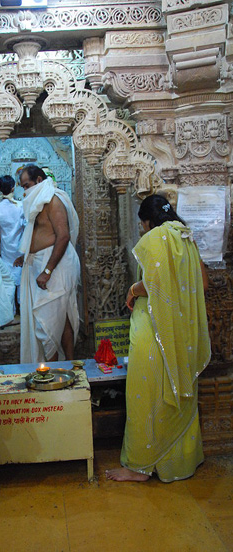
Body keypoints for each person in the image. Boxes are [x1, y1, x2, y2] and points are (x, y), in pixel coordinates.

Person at [106, 194, 210, 483]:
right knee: (177, 392)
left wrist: (134, 289)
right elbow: (202, 282)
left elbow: (153, 281)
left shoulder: (157, 238)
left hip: (153, 330)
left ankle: (139, 466)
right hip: (180, 333)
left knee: (145, 395)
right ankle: (181, 460)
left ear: (147, 220)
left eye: (142, 224)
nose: (141, 229)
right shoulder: (184, 236)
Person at [14, 165, 80, 363]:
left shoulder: (53, 199)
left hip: (55, 265)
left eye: (27, 185)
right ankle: (67, 363)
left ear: (39, 181)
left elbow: (63, 236)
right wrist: (26, 255)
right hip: (40, 263)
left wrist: (48, 270)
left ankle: (52, 372)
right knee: (61, 318)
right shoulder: (38, 201)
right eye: (22, 187)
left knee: (47, 322)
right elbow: (39, 232)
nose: (25, 191)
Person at [0, 175, 25, 309]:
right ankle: (22, 308)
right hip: (20, 249)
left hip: (6, 249)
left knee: (9, 281)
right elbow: (25, 228)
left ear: (0, 189)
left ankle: (10, 310)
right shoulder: (20, 206)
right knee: (22, 280)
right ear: (13, 187)